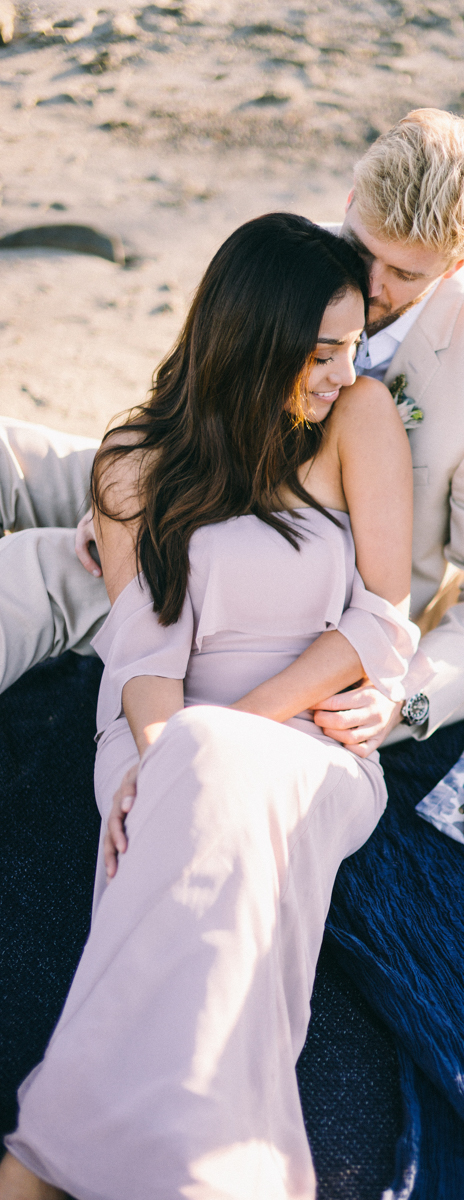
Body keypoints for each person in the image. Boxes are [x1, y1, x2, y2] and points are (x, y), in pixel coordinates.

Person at [0, 213, 421, 1199]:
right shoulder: (134, 464)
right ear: (248, 339)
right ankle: (214, 1159)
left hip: (311, 737)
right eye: (319, 352)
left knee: (214, 775)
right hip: (156, 726)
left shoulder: (357, 419)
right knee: (183, 810)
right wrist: (165, 749)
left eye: (353, 345)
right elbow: (144, 657)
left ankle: (60, 1152)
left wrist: (225, 733)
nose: (339, 372)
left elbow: (379, 621)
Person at [0, 108, 464, 750]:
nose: (372, 287)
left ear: (461, 262)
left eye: (406, 274)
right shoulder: (294, 255)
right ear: (351, 202)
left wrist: (406, 700)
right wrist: (121, 508)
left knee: (30, 571)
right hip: (199, 480)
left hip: (289, 590)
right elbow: (200, 384)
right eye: (361, 249)